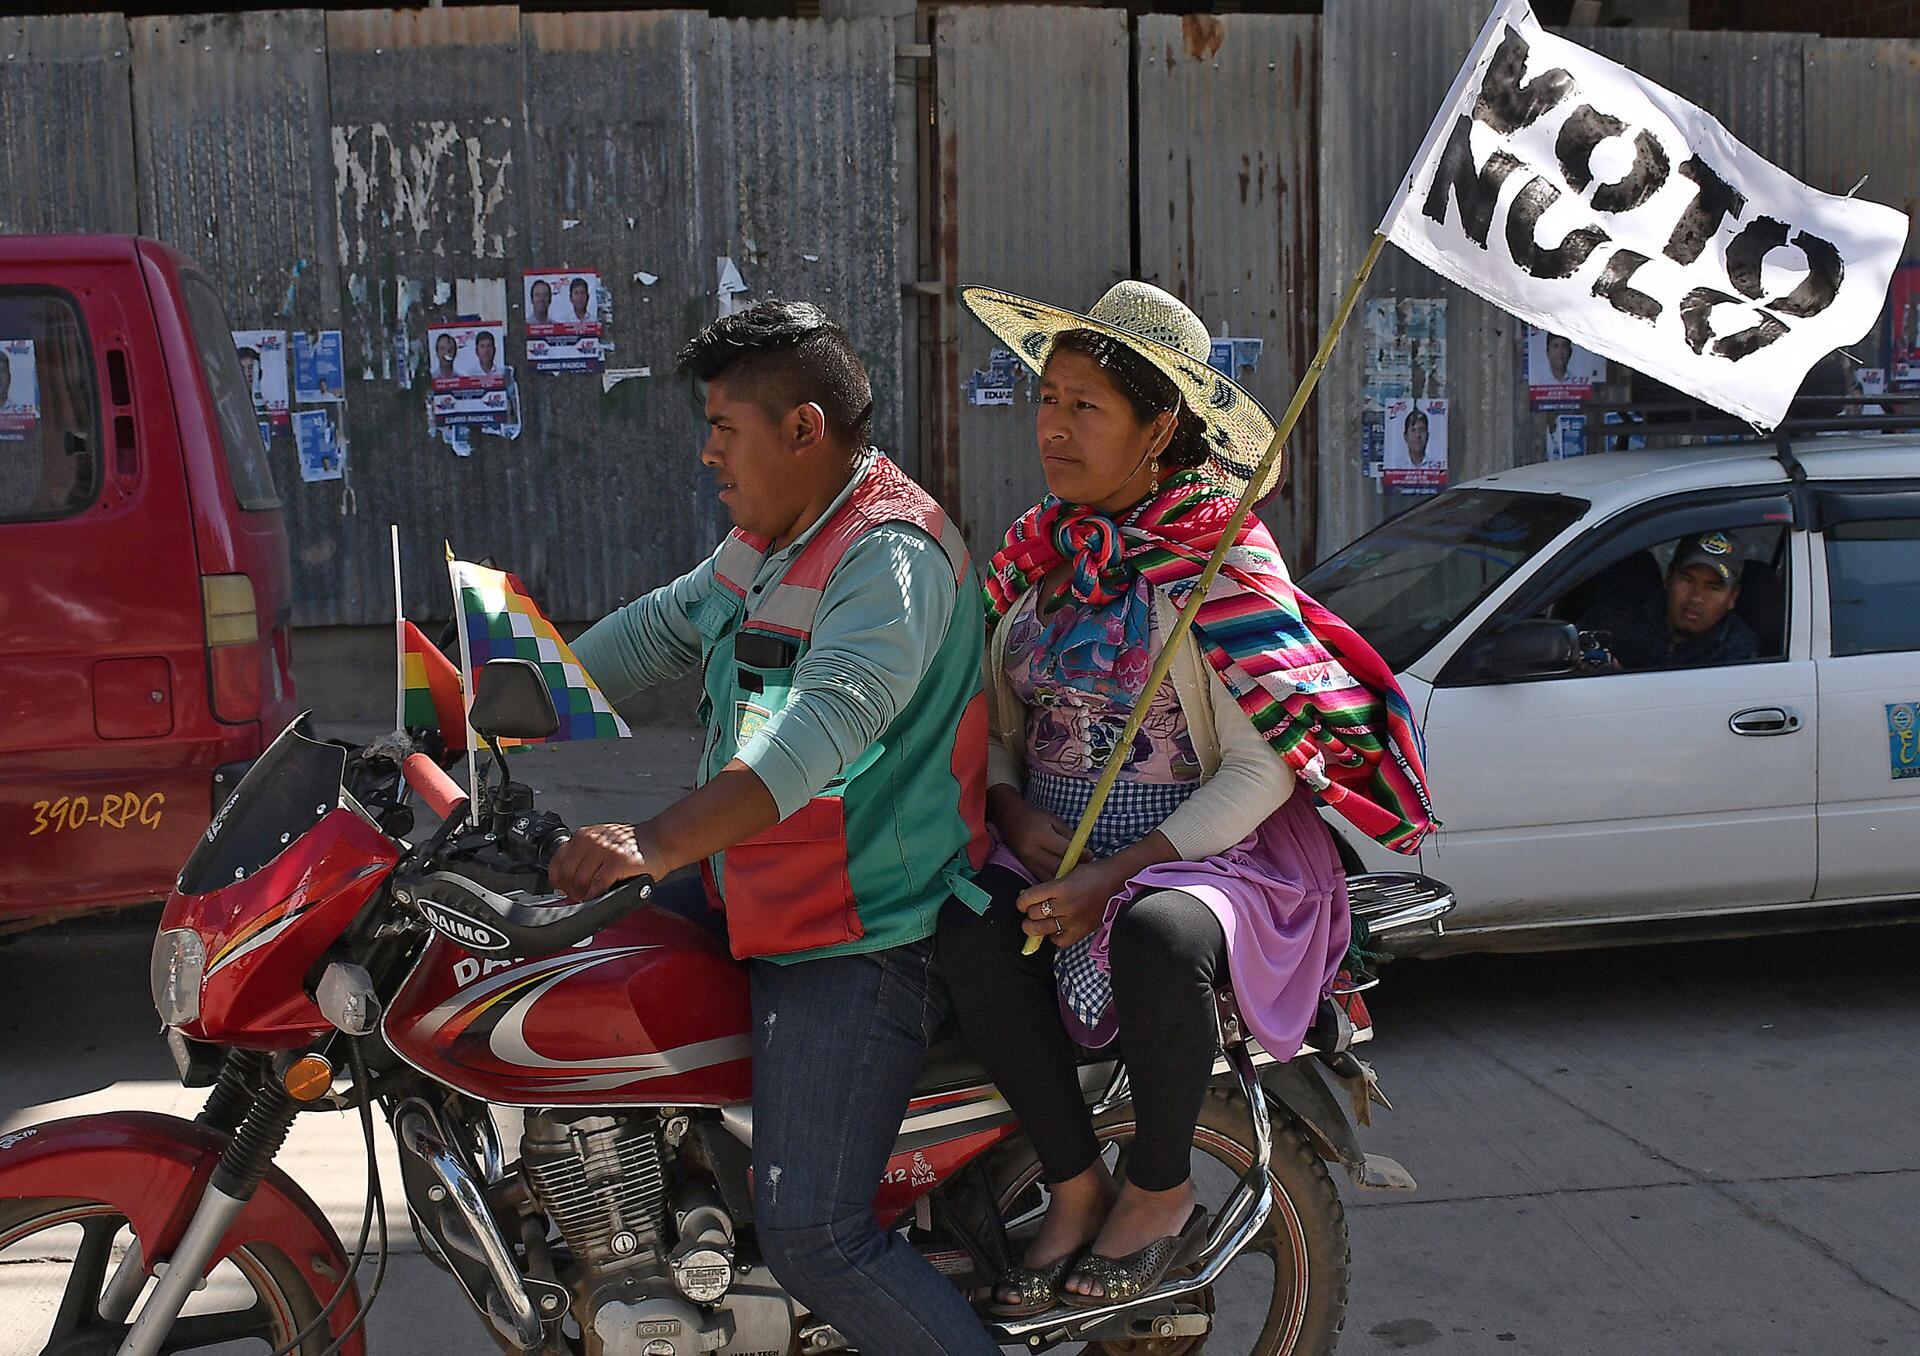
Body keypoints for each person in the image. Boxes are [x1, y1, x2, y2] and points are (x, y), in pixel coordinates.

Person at [938, 280, 1433, 1314]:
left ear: (1159, 427)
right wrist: (1014, 814)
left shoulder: (1220, 558)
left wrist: (1115, 873)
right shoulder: (1041, 552)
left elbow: (1263, 772)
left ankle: (1158, 1193)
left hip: (1209, 852)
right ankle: (1073, 1187)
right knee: (961, 923)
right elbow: (999, 722)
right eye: (1049, 399)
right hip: (1049, 845)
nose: (1055, 427)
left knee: (1159, 937)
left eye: (1086, 407)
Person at [556, 300, 998, 1356]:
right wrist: (494, 693)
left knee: (816, 1235)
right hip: (749, 890)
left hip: (861, 933)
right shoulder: (772, 534)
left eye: (725, 428)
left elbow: (822, 730)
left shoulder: (888, 557)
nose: (708, 452)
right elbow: (664, 626)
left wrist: (653, 840)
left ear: (803, 430)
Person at [1579, 531, 1761, 670]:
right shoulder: (1620, 616)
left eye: (1713, 587)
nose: (1696, 597)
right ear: (1668, 577)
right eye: (1687, 580)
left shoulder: (1739, 657)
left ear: (1733, 597)